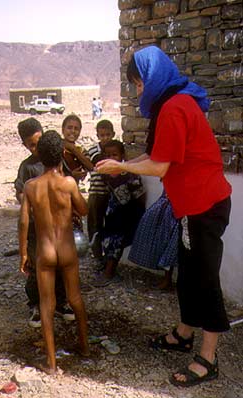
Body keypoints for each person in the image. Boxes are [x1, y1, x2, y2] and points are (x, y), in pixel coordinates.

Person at [96, 45, 232, 387]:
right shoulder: (170, 105)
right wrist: (122, 165)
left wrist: (122, 166)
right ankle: (184, 333)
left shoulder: (174, 107)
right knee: (187, 274)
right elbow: (156, 155)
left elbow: (158, 167)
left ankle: (208, 359)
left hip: (205, 207)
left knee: (205, 280)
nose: (137, 90)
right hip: (191, 207)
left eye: (139, 83)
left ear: (153, 76)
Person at [19, 130, 90, 375]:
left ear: (39, 154)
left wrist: (23, 254)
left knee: (46, 304)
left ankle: (51, 364)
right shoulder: (68, 183)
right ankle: (85, 346)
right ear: (61, 153)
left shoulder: (31, 187)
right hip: (67, 250)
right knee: (75, 299)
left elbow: (23, 222)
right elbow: (83, 209)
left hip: (45, 252)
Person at [14, 118, 73, 328]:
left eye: (38, 142)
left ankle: (61, 302)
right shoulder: (27, 167)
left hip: (56, 228)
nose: (36, 148)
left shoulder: (57, 160)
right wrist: (31, 204)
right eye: (31, 145)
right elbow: (20, 193)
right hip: (35, 230)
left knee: (59, 265)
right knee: (34, 264)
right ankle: (36, 304)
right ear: (25, 145)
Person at [94, 139, 145, 287]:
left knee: (117, 242)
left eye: (114, 155)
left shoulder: (129, 174)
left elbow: (140, 195)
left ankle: (109, 272)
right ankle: (107, 267)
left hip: (127, 212)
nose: (110, 158)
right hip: (112, 211)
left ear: (122, 156)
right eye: (107, 155)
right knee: (107, 238)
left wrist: (139, 213)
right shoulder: (106, 173)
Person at [128, 189, 179, 291]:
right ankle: (167, 278)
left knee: (171, 245)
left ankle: (168, 280)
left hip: (178, 209)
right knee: (162, 240)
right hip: (167, 207)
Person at [87, 120, 115, 267]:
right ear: (97, 135)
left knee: (109, 225)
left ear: (113, 134)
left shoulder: (115, 150)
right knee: (94, 225)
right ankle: (97, 255)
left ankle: (108, 254)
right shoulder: (93, 150)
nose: (105, 138)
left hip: (110, 194)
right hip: (96, 193)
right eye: (102, 135)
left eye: (108, 135)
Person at [62, 114, 93, 183]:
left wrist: (74, 149)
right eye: (69, 128)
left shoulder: (81, 150)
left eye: (76, 129)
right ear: (63, 129)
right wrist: (70, 175)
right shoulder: (56, 148)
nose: (73, 131)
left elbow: (90, 167)